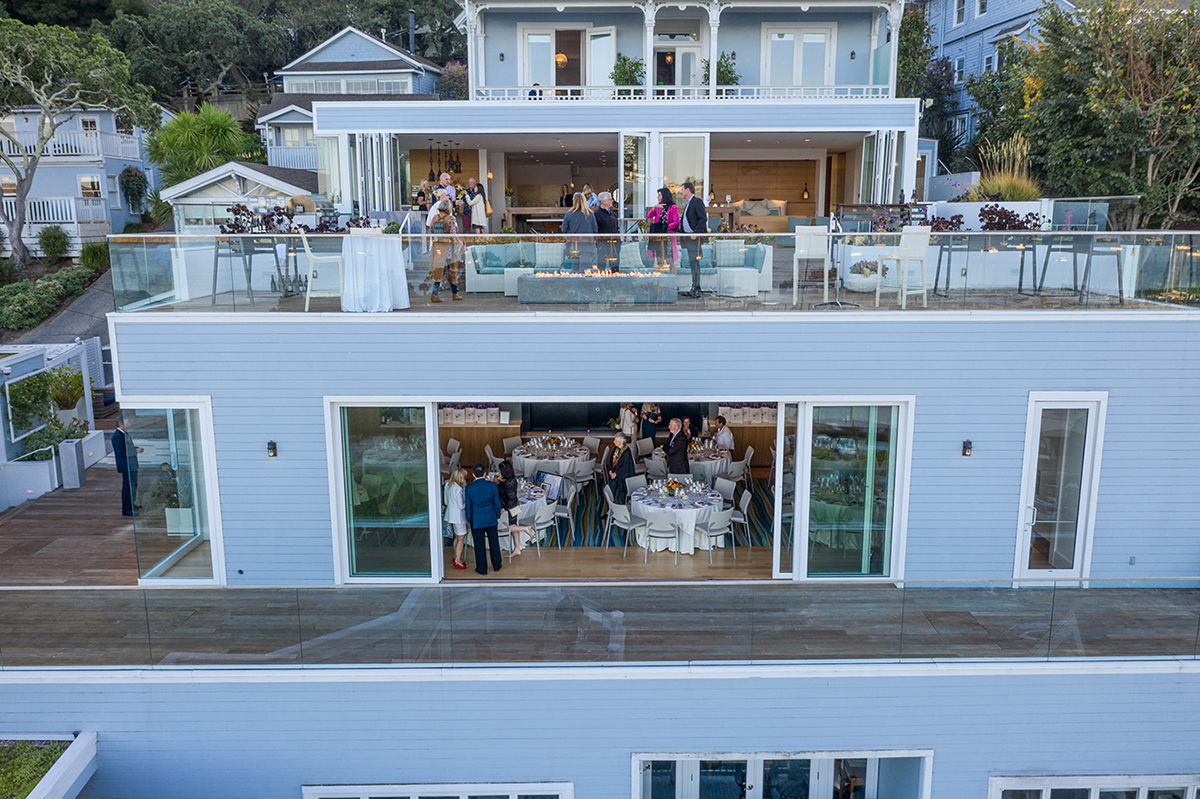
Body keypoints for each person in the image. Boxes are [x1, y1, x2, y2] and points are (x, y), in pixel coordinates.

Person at [464, 463, 503, 575]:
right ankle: (497, 565)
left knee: (479, 545)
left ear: (473, 474)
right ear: (485, 473)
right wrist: (497, 515)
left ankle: (482, 569)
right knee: (494, 542)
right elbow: (497, 503)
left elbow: (468, 507)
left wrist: (469, 519)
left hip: (477, 519)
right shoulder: (492, 486)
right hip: (490, 517)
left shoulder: (469, 488)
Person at [496, 460, 535, 556]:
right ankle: (517, 548)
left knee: (503, 529)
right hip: (515, 507)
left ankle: (525, 529)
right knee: (514, 525)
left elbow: (511, 498)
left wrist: (504, 509)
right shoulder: (512, 480)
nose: (499, 471)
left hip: (509, 509)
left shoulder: (507, 484)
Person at [427, 199, 462, 302]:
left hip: (438, 248)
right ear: (449, 208)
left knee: (438, 271)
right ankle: (455, 294)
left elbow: (430, 232)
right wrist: (458, 246)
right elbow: (453, 234)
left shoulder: (435, 218)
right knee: (452, 270)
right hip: (448, 248)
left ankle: (434, 294)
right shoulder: (451, 218)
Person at [678, 180, 708, 298]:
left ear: (688, 190)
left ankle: (697, 289)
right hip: (688, 239)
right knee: (692, 263)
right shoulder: (688, 203)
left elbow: (703, 219)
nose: (680, 192)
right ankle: (694, 288)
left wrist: (696, 233)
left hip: (695, 238)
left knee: (695, 263)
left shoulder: (697, 202)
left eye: (682, 190)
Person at [111, 420, 142, 517]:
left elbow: (128, 447)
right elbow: (121, 452)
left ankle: (131, 504)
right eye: (127, 423)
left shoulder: (124, 434)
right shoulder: (117, 436)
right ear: (121, 424)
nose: (129, 424)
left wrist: (135, 449)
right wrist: (135, 451)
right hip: (126, 465)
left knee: (133, 485)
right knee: (127, 486)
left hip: (131, 464)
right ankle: (126, 508)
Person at [561, 192, 597, 270]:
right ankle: (583, 282)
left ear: (574, 201)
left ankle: (575, 282)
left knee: (574, 268)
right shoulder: (590, 214)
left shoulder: (569, 214)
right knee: (583, 268)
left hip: (573, 245)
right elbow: (595, 230)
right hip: (587, 245)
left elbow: (564, 230)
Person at [646, 187, 680, 269]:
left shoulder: (673, 207)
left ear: (664, 196)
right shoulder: (658, 208)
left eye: (659, 195)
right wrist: (654, 208)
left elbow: (676, 222)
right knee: (659, 261)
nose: (658, 197)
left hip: (668, 237)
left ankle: (674, 280)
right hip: (658, 237)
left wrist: (666, 227)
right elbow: (649, 216)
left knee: (670, 261)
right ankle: (661, 280)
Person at [445, 467, 470, 570]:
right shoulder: (459, 490)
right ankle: (458, 560)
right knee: (461, 538)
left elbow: (446, 502)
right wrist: (468, 502)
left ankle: (456, 557)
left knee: (456, 537)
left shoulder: (448, 485)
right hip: (459, 517)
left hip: (451, 515)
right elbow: (461, 506)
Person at [606, 432, 635, 504]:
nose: (614, 442)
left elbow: (626, 468)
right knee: (611, 486)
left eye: (616, 440)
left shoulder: (626, 452)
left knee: (616, 485)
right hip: (615, 473)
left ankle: (620, 506)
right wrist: (610, 470)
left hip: (623, 476)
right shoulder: (616, 449)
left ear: (621, 442)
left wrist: (615, 474)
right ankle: (610, 507)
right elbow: (610, 460)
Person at [594, 192, 620, 272]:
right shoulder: (597, 214)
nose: (612, 201)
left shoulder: (613, 214)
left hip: (614, 243)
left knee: (615, 265)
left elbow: (616, 227)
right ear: (604, 201)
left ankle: (615, 282)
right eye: (610, 199)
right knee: (601, 265)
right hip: (603, 243)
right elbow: (595, 229)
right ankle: (601, 282)